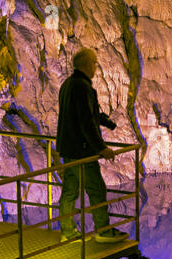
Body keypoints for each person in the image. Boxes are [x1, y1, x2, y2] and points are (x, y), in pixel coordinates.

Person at [56, 47, 128, 243]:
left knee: (70, 190)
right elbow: (86, 121)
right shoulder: (82, 87)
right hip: (82, 150)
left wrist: (107, 122)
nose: (96, 66)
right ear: (87, 65)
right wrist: (101, 148)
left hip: (68, 148)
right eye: (94, 63)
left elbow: (87, 113)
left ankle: (67, 230)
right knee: (96, 189)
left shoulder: (68, 84)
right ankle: (103, 230)